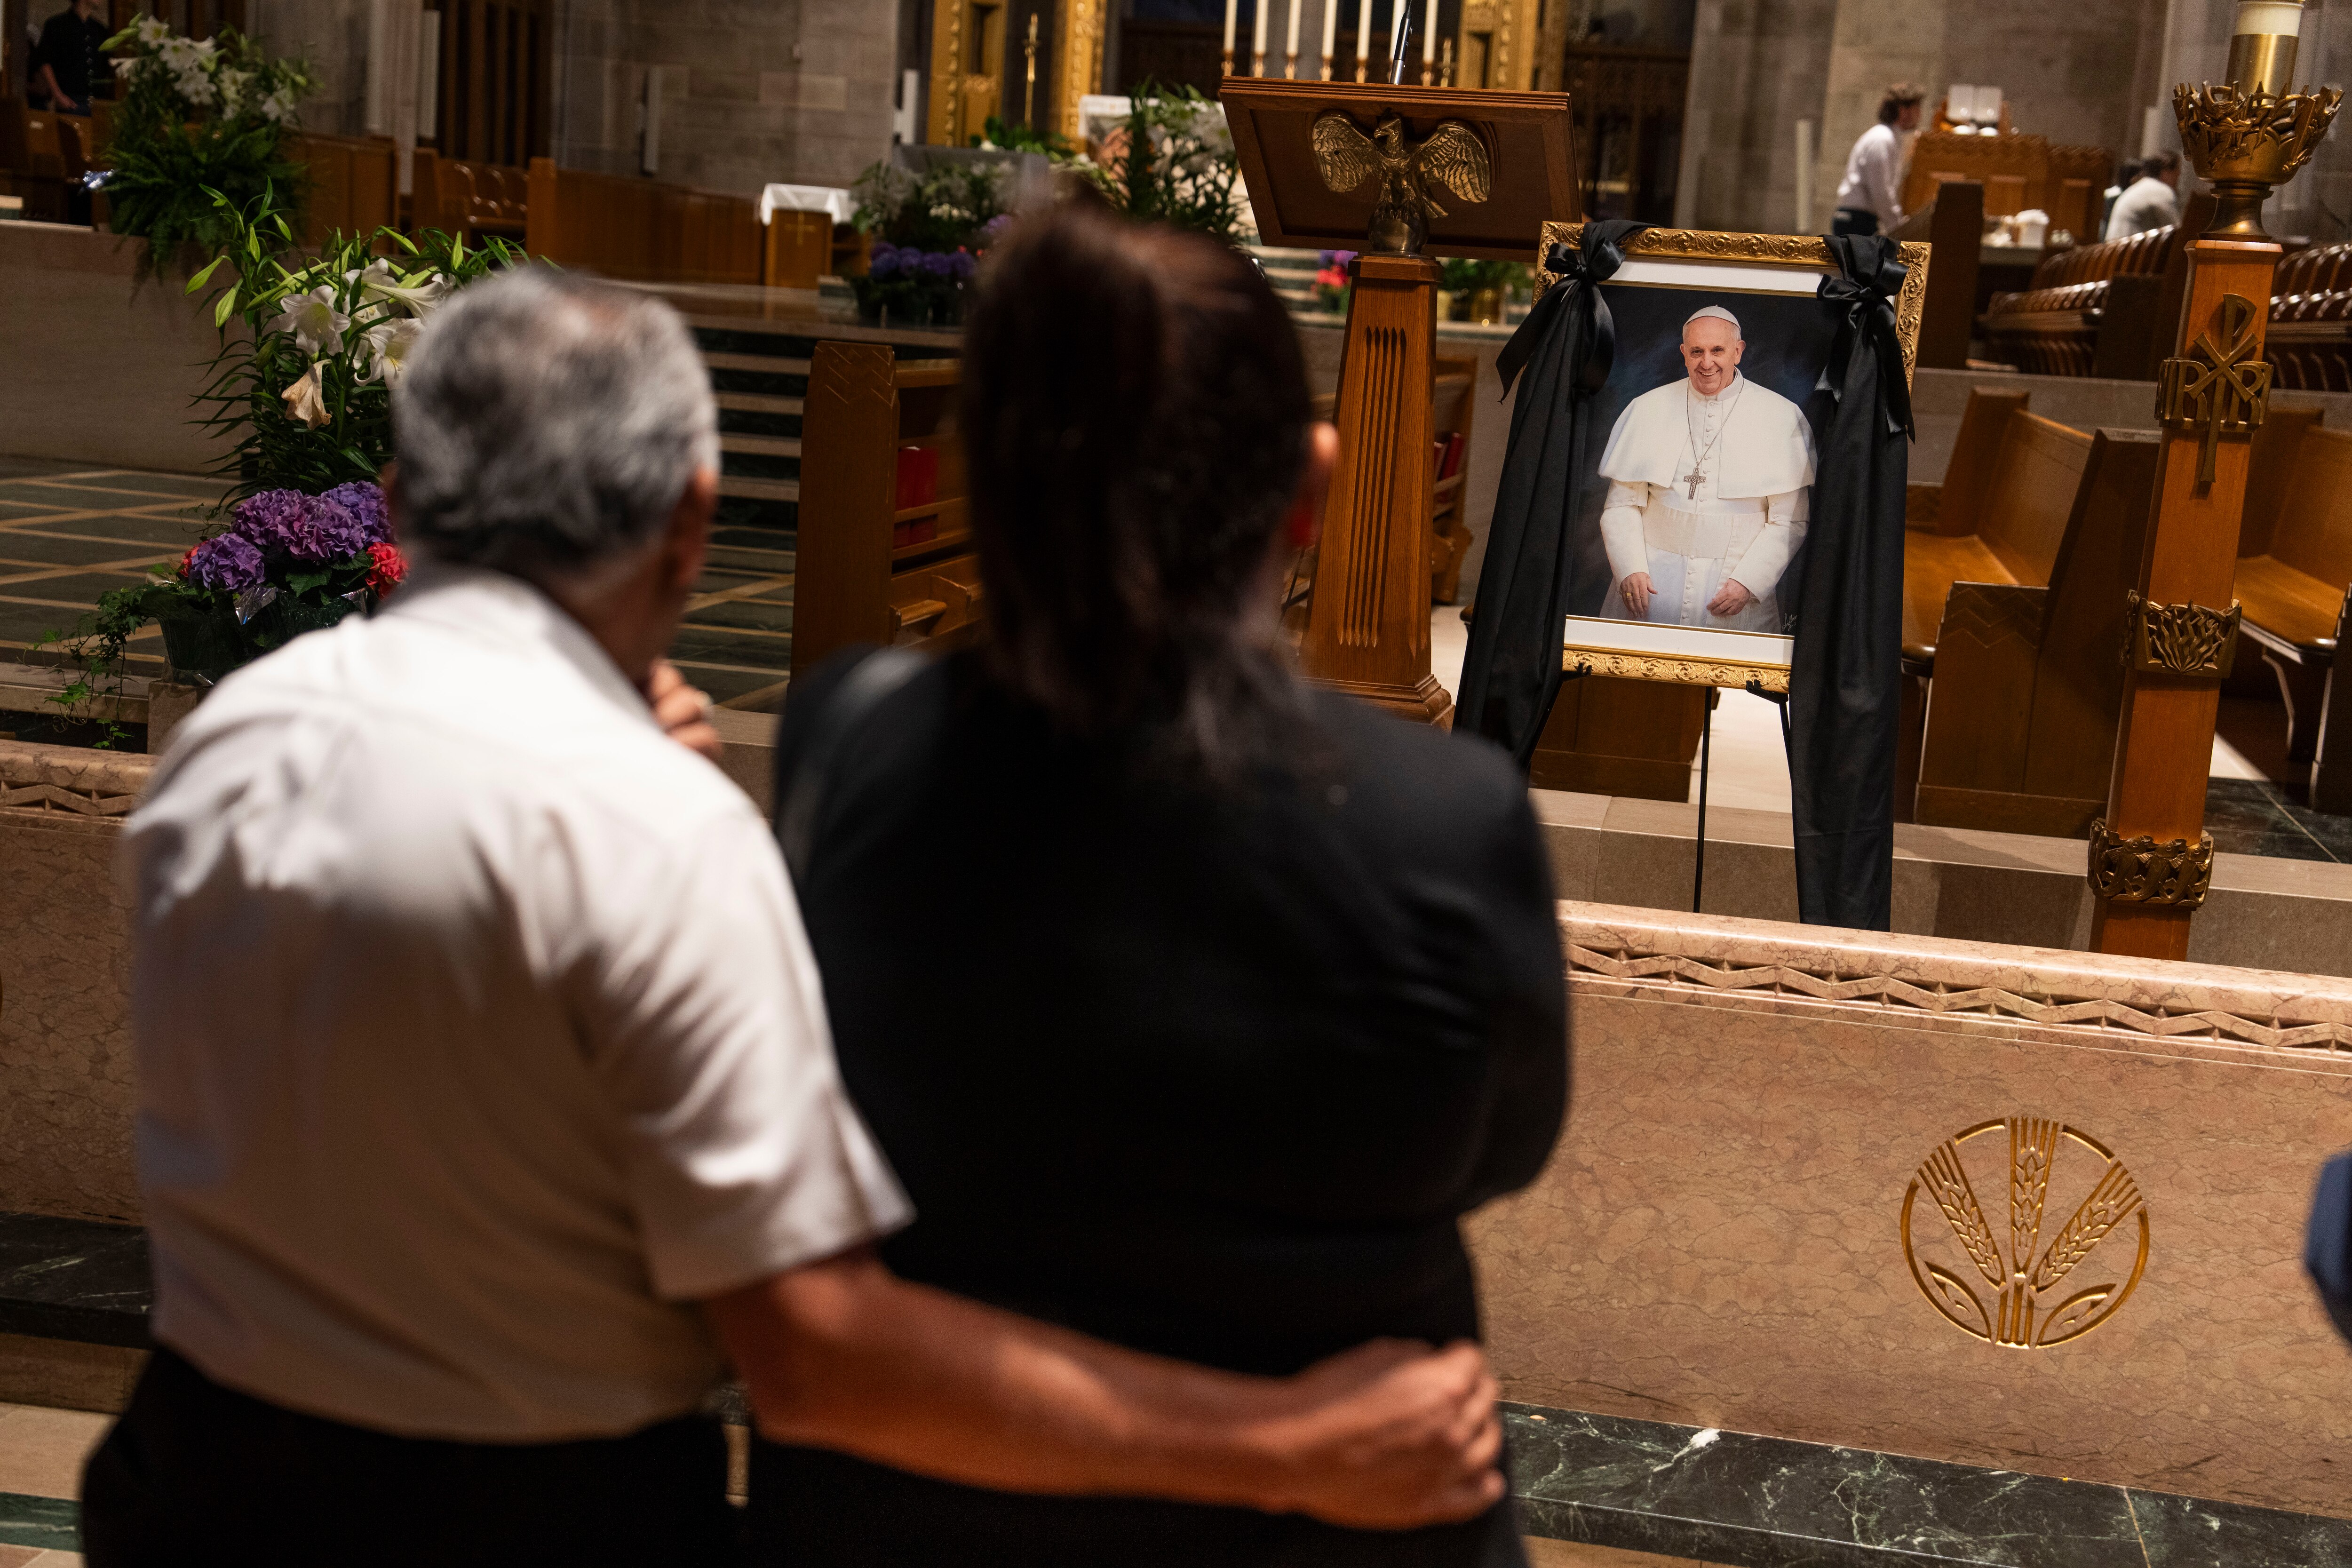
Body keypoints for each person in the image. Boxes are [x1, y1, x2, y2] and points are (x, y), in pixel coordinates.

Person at [81, 269, 1512, 1566]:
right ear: (693, 520)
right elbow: (818, 1361)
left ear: (399, 496)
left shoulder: (229, 742)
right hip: (528, 1521)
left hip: (196, 1482)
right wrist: (1285, 1446)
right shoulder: (651, 830)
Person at [754, 202, 1568, 1566]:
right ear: (1307, 495)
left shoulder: (848, 740)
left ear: (981, 484)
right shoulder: (1449, 817)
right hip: (1350, 1518)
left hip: (920, 1514)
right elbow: (1505, 1141)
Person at [1595, 304, 1814, 633]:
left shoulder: (1782, 417)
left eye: (1718, 351)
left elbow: (1790, 520)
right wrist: (1630, 568)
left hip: (1733, 587)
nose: (1706, 363)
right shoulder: (1646, 409)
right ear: (1684, 353)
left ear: (1738, 352)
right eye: (1696, 351)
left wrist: (1748, 582)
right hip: (1650, 584)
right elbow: (1621, 505)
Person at [1832, 82, 1924, 237]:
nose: (1920, 115)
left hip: (1860, 218)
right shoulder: (1882, 139)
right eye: (1917, 109)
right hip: (1856, 220)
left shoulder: (1888, 138)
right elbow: (1881, 190)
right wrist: (1898, 227)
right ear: (1903, 111)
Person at [31, 0, 107, 115]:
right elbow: (44, 61)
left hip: (98, 104)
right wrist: (58, 95)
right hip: (71, 102)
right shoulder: (57, 25)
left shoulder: (100, 30)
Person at [2106, 149, 2182, 239]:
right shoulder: (2161, 191)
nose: (2179, 174)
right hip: (2128, 251)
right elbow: (2177, 232)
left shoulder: (2141, 186)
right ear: (2166, 172)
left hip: (2114, 250)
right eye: (2177, 170)